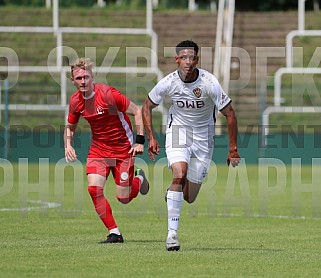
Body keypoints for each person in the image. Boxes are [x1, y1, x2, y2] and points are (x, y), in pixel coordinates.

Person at [142, 40, 241, 251]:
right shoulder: (168, 82)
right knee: (179, 174)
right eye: (184, 58)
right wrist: (151, 137)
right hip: (177, 132)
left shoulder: (209, 82)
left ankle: (172, 194)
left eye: (192, 58)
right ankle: (172, 235)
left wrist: (233, 148)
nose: (188, 62)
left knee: (189, 197)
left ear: (197, 59)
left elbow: (230, 113)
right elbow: (147, 105)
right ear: (177, 59)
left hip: (204, 139)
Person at [64, 58, 149, 244]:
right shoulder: (75, 102)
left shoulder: (109, 94)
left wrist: (140, 141)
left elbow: (137, 111)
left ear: (92, 77)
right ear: (73, 81)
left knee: (123, 198)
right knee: (94, 189)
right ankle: (115, 233)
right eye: (78, 78)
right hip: (99, 151)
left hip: (123, 150)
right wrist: (68, 145)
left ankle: (140, 178)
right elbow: (70, 126)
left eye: (86, 77)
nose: (83, 81)